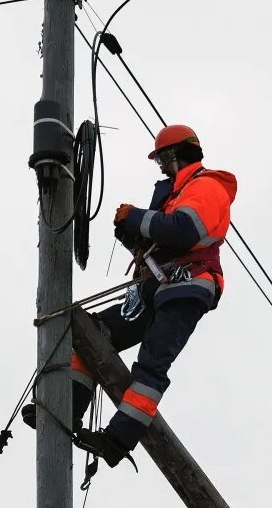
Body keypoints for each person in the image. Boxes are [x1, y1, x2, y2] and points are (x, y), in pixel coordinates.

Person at [23, 124, 237, 467]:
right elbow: (163, 240)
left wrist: (135, 217)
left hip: (187, 285)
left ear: (173, 155)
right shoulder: (175, 194)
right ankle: (66, 407)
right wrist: (132, 233)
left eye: (163, 161)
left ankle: (116, 441)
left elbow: (184, 231)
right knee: (94, 332)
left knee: (150, 366)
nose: (162, 169)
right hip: (158, 285)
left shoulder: (208, 186)